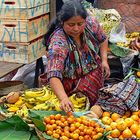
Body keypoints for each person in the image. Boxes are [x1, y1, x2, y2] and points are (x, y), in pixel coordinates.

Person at [42, 0, 110, 113]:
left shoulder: (90, 23)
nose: (76, 29)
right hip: (70, 85)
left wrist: (104, 60)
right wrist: (64, 99)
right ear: (62, 22)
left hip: (93, 77)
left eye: (80, 24)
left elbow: (103, 39)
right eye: (71, 25)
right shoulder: (59, 42)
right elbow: (53, 74)